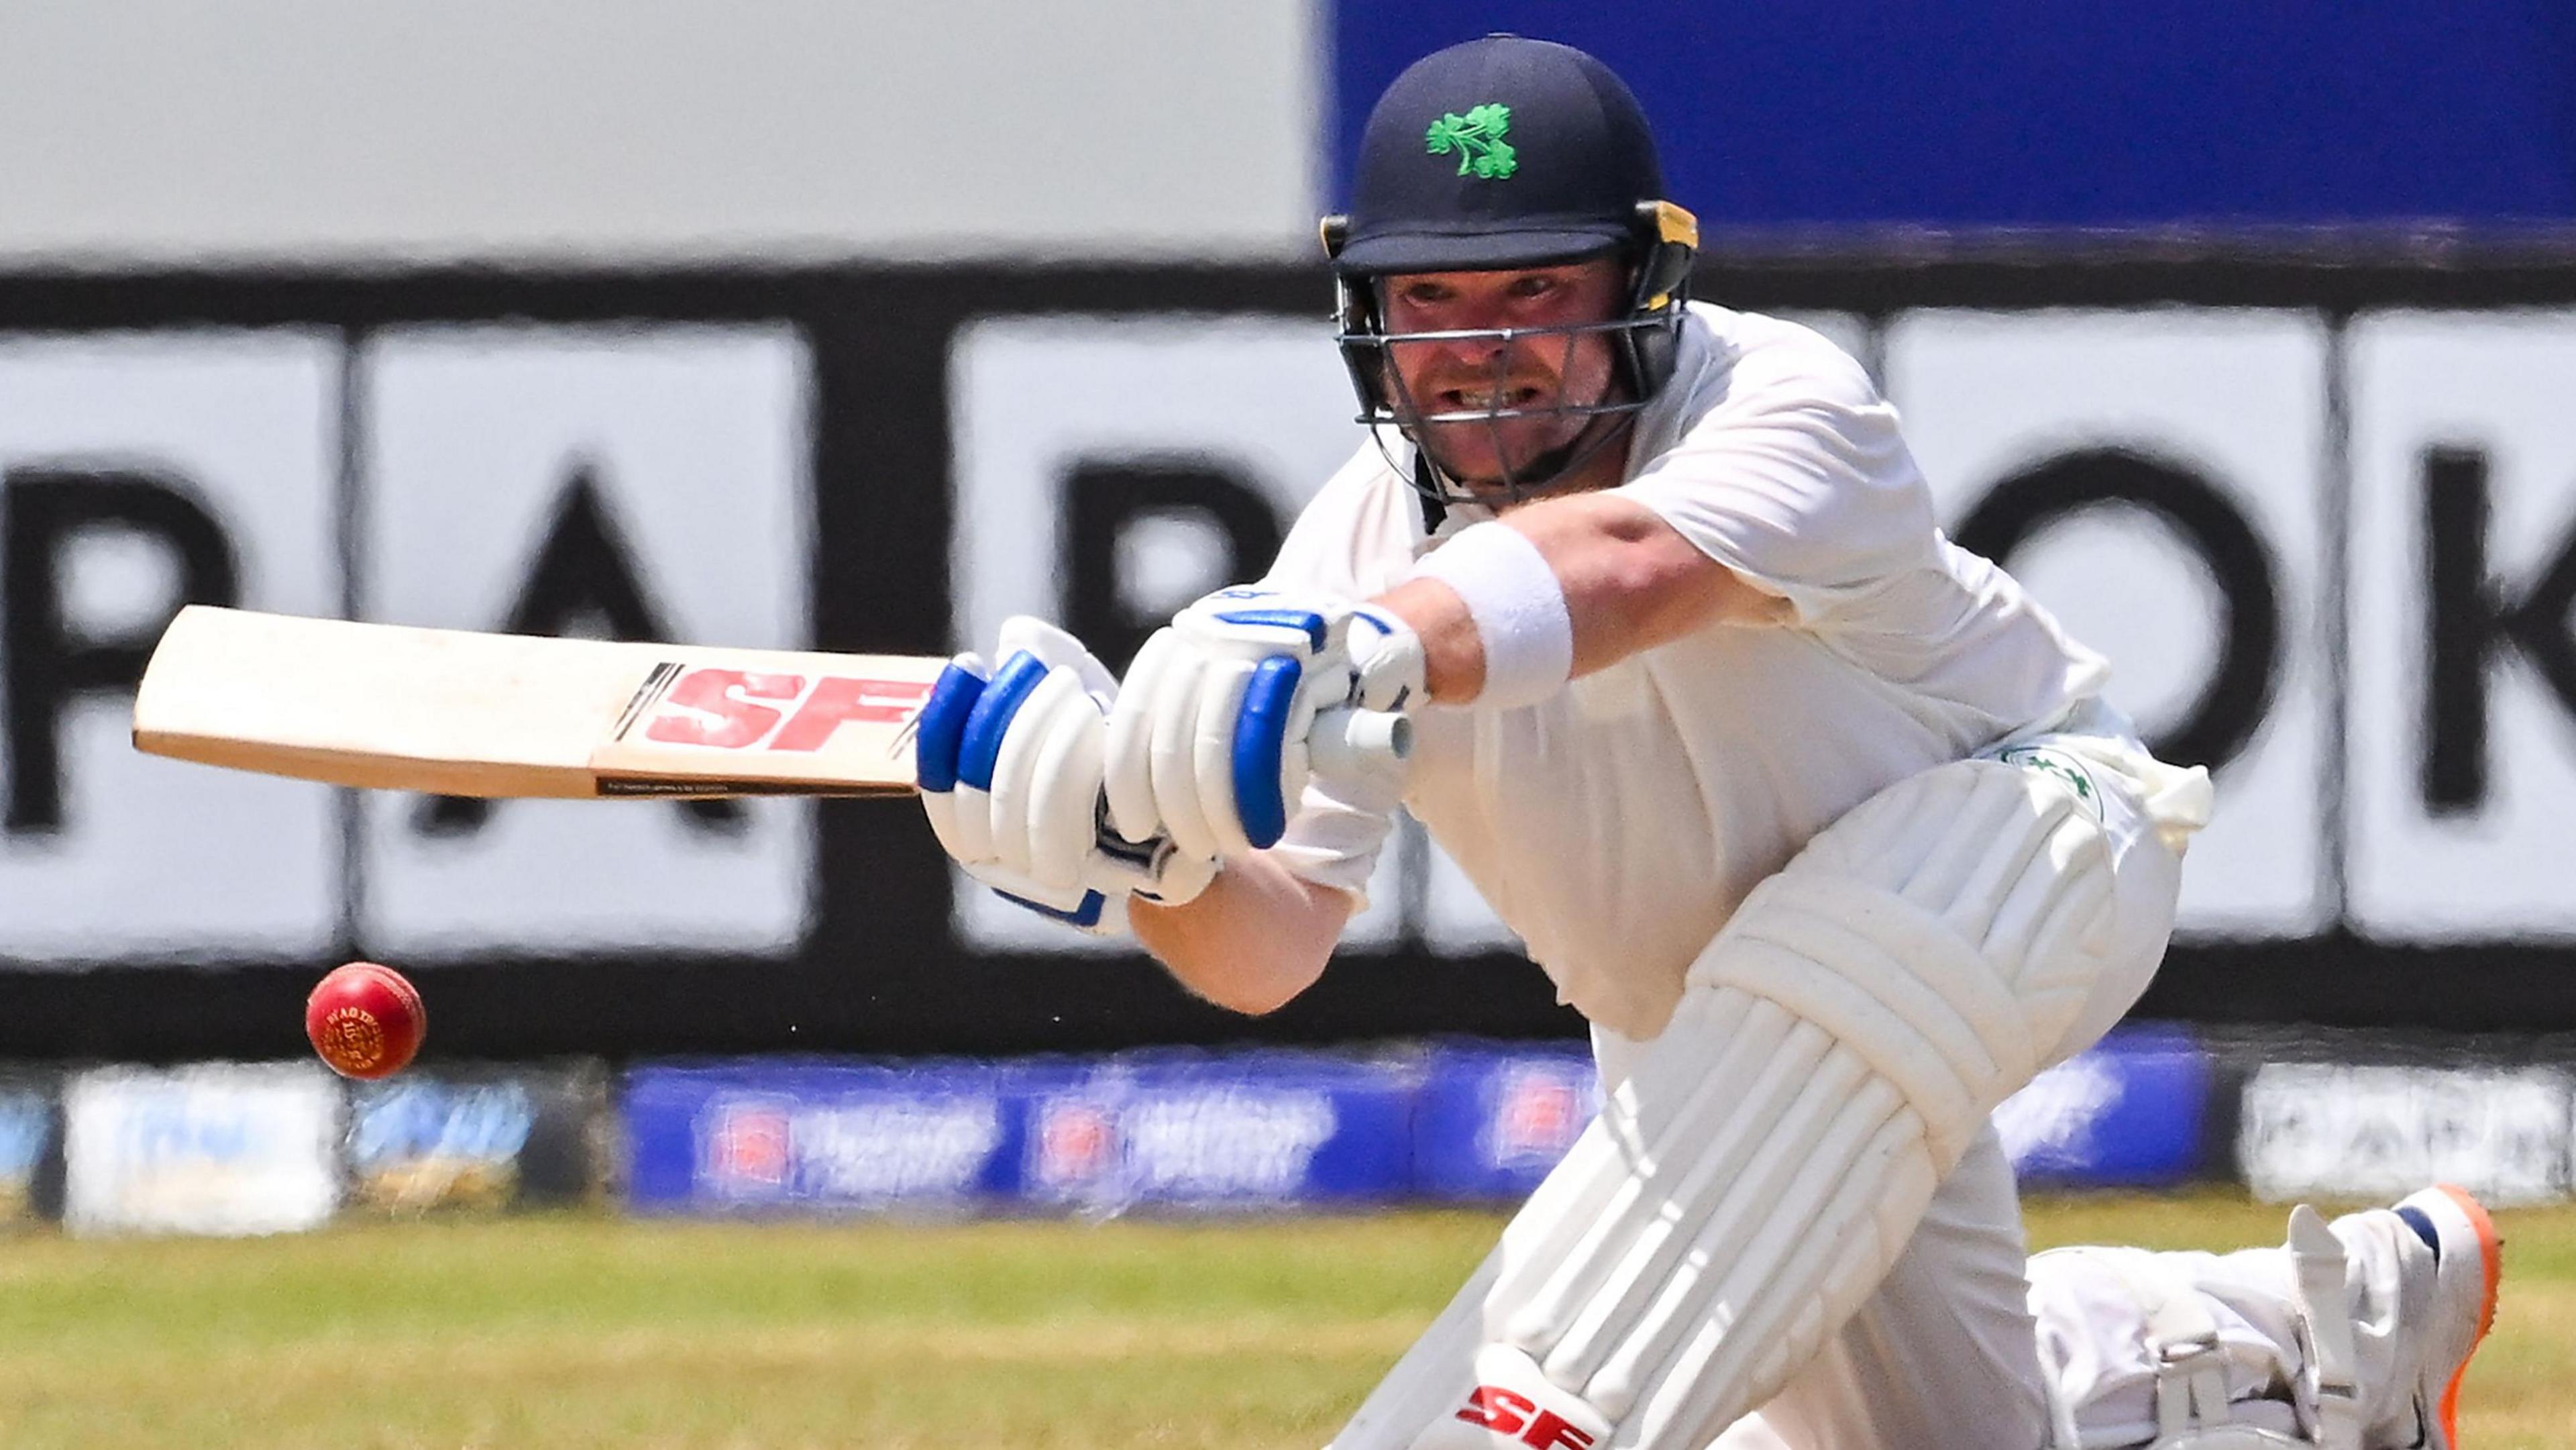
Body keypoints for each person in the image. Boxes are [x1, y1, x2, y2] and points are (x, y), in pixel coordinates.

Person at [912, 33, 2501, 1450]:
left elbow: (1625, 572)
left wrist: (1371, 643)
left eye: (1538, 288)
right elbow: (1267, 953)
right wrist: (1141, 853)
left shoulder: (1784, 406)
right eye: (1434, 299)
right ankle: (2297, 1337)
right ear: (1371, 315)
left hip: (2028, 846)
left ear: (1639, 290)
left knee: (1782, 1051)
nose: (1482, 349)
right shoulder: (1346, 552)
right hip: (1720, 1054)